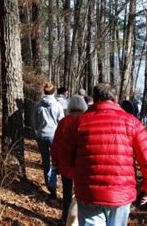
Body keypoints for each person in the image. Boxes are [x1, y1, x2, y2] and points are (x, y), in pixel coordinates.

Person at [60, 83, 147, 225]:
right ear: (115, 99)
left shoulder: (77, 123)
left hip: (89, 192)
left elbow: (65, 158)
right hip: (121, 193)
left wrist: (77, 175)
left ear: (95, 98)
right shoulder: (132, 123)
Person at [52, 95, 88, 224]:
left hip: (66, 163)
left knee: (67, 193)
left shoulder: (64, 122)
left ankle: (66, 218)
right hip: (83, 165)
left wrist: (55, 160)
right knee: (82, 194)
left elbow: (56, 143)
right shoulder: (87, 121)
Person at [32, 83, 65, 200]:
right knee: (55, 161)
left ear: (44, 92)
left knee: (46, 162)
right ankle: (54, 184)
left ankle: (51, 187)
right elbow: (61, 122)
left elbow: (34, 123)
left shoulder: (37, 106)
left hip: (41, 136)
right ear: (54, 92)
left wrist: (39, 129)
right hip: (54, 136)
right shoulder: (58, 106)